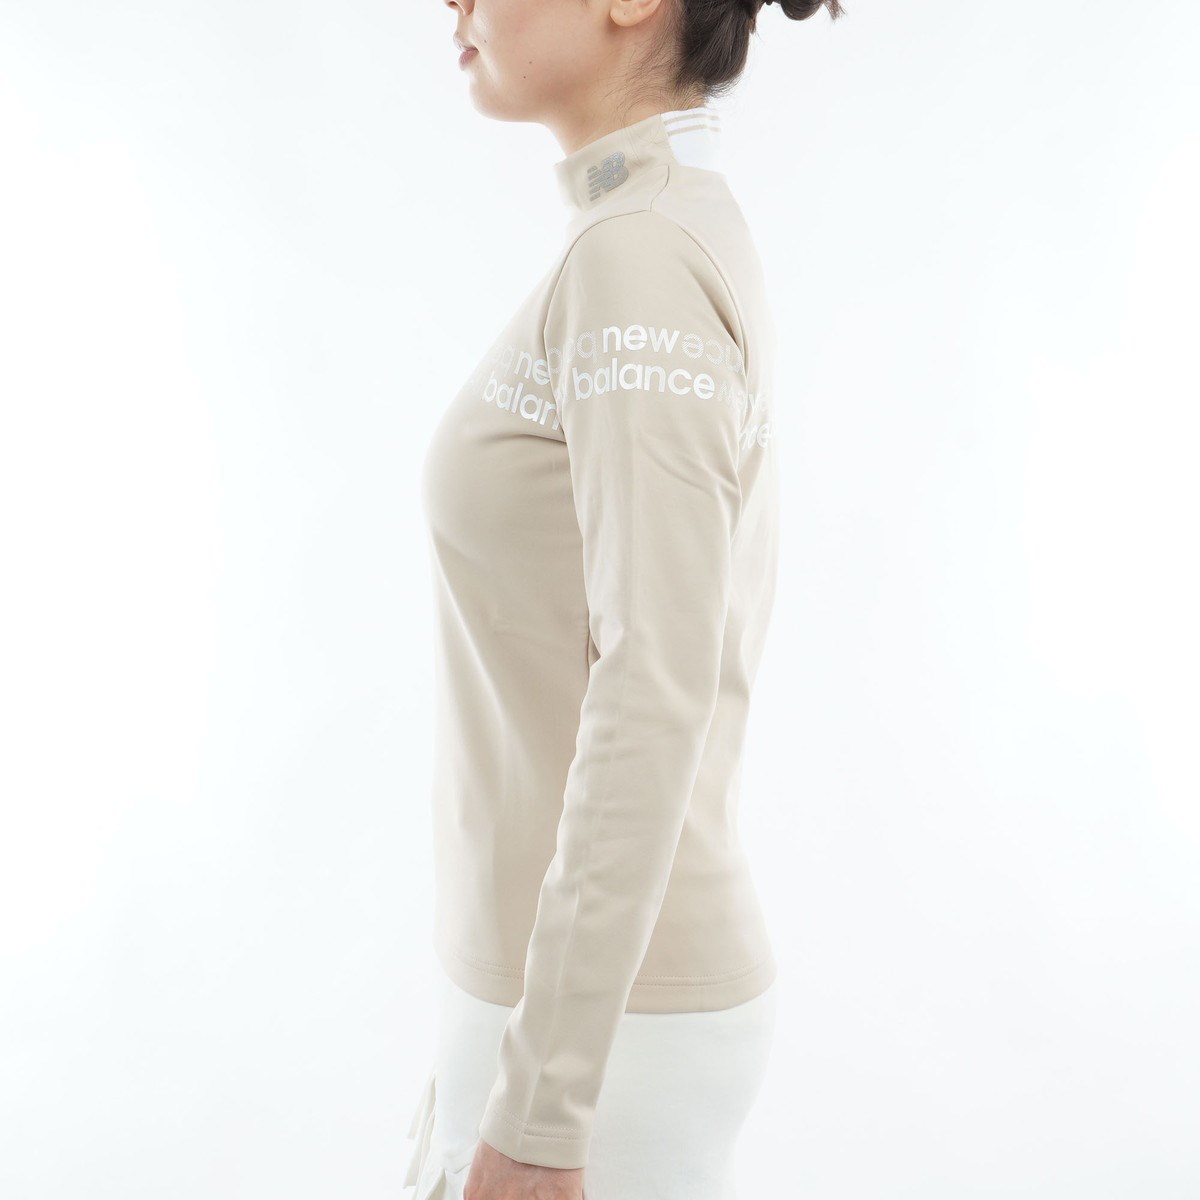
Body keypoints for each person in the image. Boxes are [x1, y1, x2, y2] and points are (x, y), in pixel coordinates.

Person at [407, 1, 844, 1198]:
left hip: (603, 1048)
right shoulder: (642, 230)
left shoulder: (639, 255)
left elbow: (654, 684)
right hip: (574, 1019)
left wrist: (543, 1110)